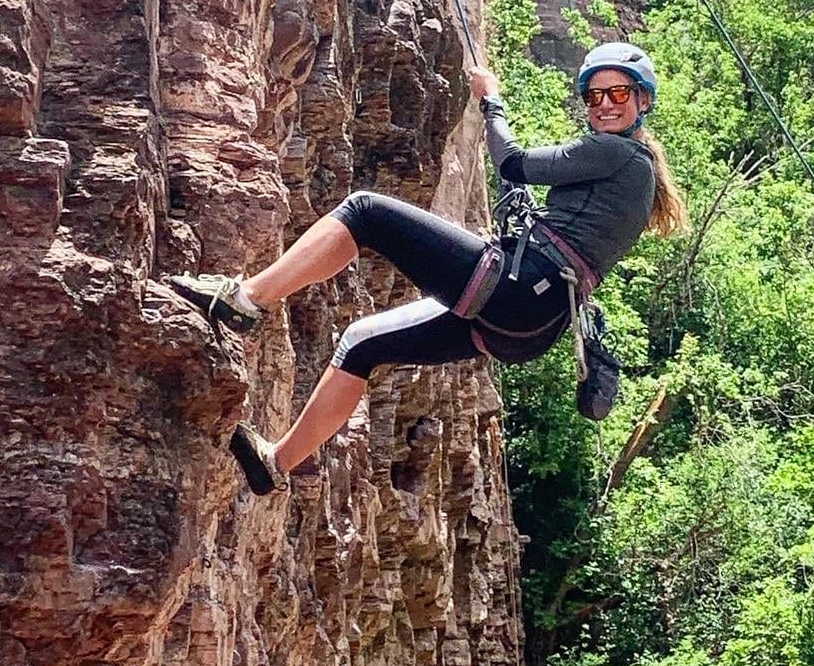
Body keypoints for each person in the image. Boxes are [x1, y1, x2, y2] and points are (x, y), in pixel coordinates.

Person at [166, 42, 688, 495]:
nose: (603, 106)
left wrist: (492, 100)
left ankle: (245, 300)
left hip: (517, 288)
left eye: (618, 94)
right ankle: (275, 462)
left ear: (643, 101)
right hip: (528, 325)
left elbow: (511, 160)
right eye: (594, 96)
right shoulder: (635, 173)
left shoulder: (617, 154)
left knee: (365, 212)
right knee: (362, 344)